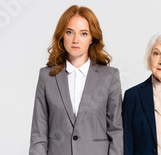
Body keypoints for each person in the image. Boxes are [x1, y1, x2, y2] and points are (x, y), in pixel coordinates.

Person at [29, 5, 123, 155]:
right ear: (62, 36)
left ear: (92, 38)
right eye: (69, 32)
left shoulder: (110, 77)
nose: (75, 40)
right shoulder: (46, 76)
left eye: (84, 33)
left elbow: (116, 131)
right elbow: (38, 134)